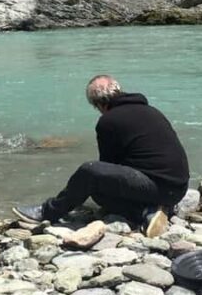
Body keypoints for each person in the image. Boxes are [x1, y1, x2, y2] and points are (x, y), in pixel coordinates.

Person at [12, 75, 190, 238]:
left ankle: (48, 211)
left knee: (90, 172)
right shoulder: (151, 111)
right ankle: (149, 210)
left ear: (98, 104)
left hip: (157, 187)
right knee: (97, 192)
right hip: (178, 188)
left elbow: (106, 165)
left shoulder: (109, 121)